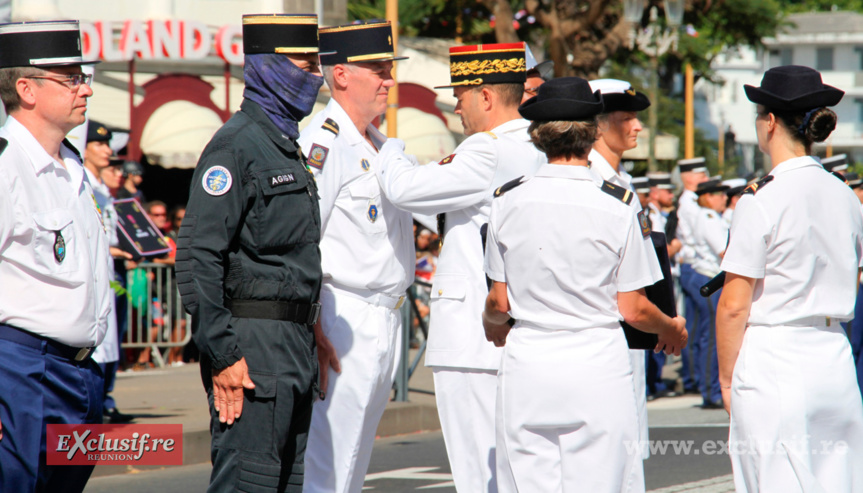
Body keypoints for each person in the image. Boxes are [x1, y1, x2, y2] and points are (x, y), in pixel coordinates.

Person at [482, 77, 687, 493]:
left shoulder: (506, 199)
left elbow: (498, 301)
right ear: (593, 132)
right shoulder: (616, 202)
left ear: (539, 136)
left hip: (529, 363)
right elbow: (633, 308)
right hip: (595, 362)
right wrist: (670, 328)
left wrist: (490, 322)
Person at [374, 42, 546, 492]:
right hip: (512, 326)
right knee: (513, 468)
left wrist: (389, 145)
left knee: (478, 473)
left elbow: (402, 188)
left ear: (486, 97)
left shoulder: (485, 150)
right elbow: (454, 211)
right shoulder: (534, 145)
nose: (456, 104)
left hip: (475, 335)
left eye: (462, 94)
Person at [175, 14, 325, 492]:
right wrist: (223, 354)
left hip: (293, 345)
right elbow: (198, 257)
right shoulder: (237, 147)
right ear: (269, 67)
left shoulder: (284, 146)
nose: (316, 74)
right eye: (305, 62)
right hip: (254, 350)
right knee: (248, 483)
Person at [716, 65, 863, 492]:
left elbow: (734, 305)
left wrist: (726, 381)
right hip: (833, 355)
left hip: (775, 355)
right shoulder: (843, 193)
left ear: (770, 122)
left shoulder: (762, 197)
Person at [298, 21, 414, 493]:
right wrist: (314, 325)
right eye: (379, 69)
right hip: (342, 314)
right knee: (330, 464)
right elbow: (302, 240)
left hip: (383, 314)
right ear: (341, 75)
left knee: (354, 463)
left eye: (389, 69)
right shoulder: (323, 144)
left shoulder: (379, 144)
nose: (390, 80)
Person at [0, 20, 111, 493]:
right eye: (70, 78)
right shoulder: (7, 167)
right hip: (21, 371)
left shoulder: (71, 168)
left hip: (80, 373)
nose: (85, 87)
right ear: (26, 88)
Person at [587, 78, 665, 457]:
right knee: (610, 450)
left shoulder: (623, 182)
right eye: (627, 118)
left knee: (629, 445)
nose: (638, 126)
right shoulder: (593, 182)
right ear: (598, 125)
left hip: (631, 327)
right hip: (605, 328)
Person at [83, 122, 135, 423]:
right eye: (100, 144)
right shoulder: (84, 182)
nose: (107, 150)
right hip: (96, 272)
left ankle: (106, 398)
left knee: (113, 337)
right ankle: (96, 402)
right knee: (99, 341)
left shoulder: (102, 188)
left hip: (112, 271)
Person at [690, 177, 729, 409]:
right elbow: (725, 252)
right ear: (708, 197)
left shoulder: (713, 217)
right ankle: (710, 390)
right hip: (708, 278)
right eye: (720, 194)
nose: (724, 198)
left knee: (711, 337)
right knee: (711, 338)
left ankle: (711, 388)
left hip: (709, 277)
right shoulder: (708, 218)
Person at [673, 157, 709, 395]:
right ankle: (693, 378)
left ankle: (694, 377)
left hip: (695, 265)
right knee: (695, 329)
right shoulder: (688, 203)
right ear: (688, 177)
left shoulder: (693, 202)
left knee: (696, 327)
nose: (705, 179)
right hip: (694, 266)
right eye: (701, 175)